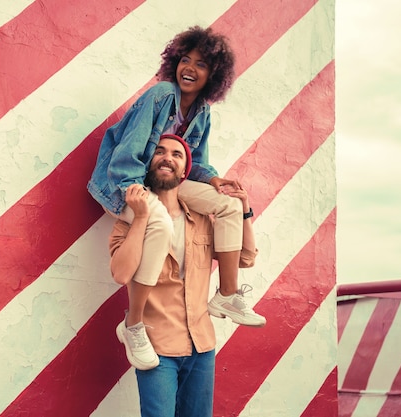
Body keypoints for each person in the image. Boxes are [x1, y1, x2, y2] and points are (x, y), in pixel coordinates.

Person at [88, 26, 265, 370]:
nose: (191, 68)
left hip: (169, 180)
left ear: (213, 76)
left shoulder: (202, 112)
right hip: (127, 179)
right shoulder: (161, 95)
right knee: (158, 220)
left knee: (228, 204)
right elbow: (128, 153)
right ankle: (133, 325)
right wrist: (133, 194)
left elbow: (194, 162)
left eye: (201, 64)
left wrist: (215, 179)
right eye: (186, 60)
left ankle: (227, 295)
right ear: (175, 63)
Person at [109, 135, 260, 416]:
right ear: (148, 164)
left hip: (201, 344)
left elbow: (245, 258)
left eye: (177, 154)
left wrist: (244, 211)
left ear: (184, 171)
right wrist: (142, 218)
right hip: (155, 345)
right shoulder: (129, 220)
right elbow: (121, 273)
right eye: (159, 151)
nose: (168, 157)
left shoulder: (201, 219)